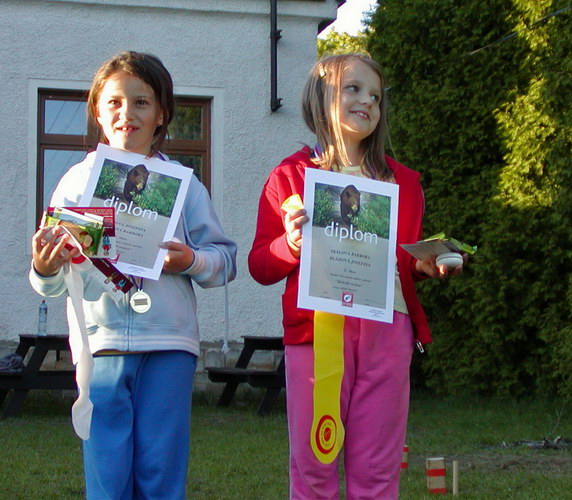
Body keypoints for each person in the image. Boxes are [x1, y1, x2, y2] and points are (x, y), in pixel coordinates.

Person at [248, 53, 466, 499]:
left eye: (376, 96)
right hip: (316, 335)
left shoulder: (405, 183)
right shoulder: (289, 177)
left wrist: (424, 263)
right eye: (354, 89)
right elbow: (259, 266)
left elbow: (400, 260)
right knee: (314, 468)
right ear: (321, 96)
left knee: (378, 470)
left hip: (388, 331)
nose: (367, 101)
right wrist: (290, 246)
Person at [29, 51, 237, 500]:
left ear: (163, 113)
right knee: (106, 470)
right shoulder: (76, 181)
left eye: (142, 102)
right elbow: (51, 277)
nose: (128, 113)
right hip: (99, 343)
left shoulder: (184, 184)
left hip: (169, 343)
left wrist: (190, 262)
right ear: (98, 111)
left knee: (160, 469)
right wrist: (43, 268)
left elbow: (225, 260)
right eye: (116, 103)